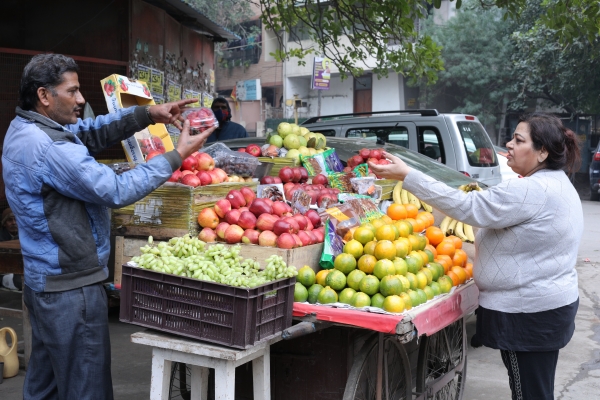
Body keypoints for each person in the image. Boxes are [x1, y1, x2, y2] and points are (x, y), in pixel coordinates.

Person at [2, 53, 214, 399]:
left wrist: (146, 114)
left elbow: (85, 132)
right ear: (44, 95)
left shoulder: (24, 128)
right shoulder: (48, 148)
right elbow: (115, 190)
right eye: (71, 91)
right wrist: (177, 155)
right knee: (86, 389)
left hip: (45, 284)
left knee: (45, 388)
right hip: (72, 290)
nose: (81, 99)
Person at [368, 113, 582, 400]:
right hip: (547, 306)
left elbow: (467, 206)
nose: (508, 144)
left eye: (519, 140)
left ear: (542, 152)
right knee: (536, 389)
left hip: (530, 314)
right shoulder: (556, 182)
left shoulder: (531, 189)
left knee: (528, 392)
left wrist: (409, 176)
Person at [0, 207, 22, 291]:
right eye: (10, 220)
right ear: (4, 223)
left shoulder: (24, 236)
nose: (13, 223)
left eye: (15, 219)